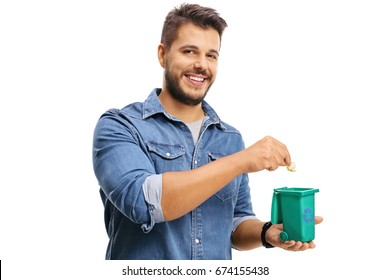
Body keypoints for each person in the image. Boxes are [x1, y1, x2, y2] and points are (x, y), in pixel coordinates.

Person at [92, 3, 323, 260]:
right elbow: (142, 203)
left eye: (211, 55)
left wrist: (266, 233)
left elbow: (236, 221)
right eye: (190, 51)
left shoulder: (230, 139)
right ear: (162, 54)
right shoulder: (120, 125)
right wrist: (240, 161)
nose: (202, 65)